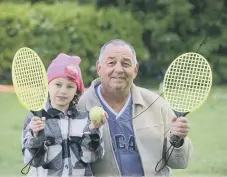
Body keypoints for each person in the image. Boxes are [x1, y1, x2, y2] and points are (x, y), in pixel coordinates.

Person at [77, 39, 193, 176]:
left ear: (135, 70)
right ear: (99, 68)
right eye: (111, 63)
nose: (119, 69)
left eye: (126, 64)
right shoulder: (79, 107)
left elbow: (180, 162)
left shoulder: (157, 104)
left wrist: (178, 141)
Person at [22, 53, 106, 177]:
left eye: (70, 86)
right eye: (58, 84)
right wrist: (36, 137)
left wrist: (93, 130)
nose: (63, 91)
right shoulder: (34, 119)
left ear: (76, 91)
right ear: (47, 85)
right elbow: (33, 161)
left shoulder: (86, 119)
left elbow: (92, 157)